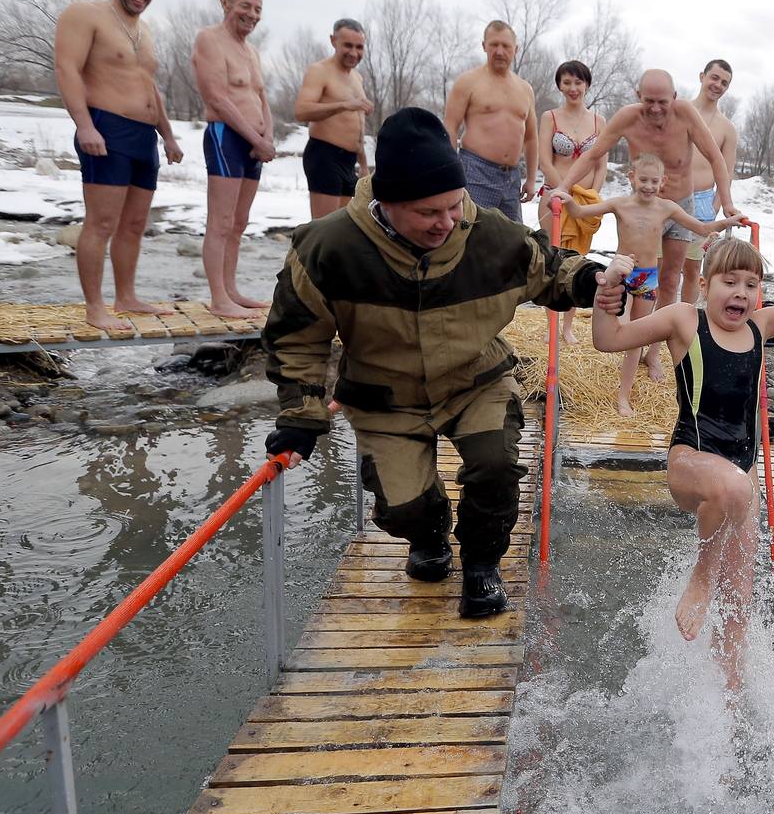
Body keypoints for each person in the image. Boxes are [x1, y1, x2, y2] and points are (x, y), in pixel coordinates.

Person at [261, 108, 613, 617]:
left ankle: (480, 565)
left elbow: (549, 269)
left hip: (476, 382)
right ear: (387, 201)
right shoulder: (327, 247)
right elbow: (296, 339)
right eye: (430, 213)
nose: (447, 222)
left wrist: (591, 282)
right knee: (403, 508)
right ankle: (429, 534)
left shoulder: (486, 233)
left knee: (495, 466)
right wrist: (301, 418)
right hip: (384, 396)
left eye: (454, 206)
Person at [590, 235, 774, 690]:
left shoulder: (760, 326)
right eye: (730, 282)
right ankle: (699, 577)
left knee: (740, 600)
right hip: (690, 461)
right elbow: (607, 339)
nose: (741, 293)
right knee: (732, 489)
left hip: (740, 475)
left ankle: (729, 697)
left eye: (751, 284)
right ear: (705, 284)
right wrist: (605, 298)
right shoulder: (682, 320)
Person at [551, 153, 740, 415]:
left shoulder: (667, 208)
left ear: (662, 182)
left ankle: (623, 395)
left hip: (646, 278)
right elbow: (581, 212)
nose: (648, 186)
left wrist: (725, 222)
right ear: (632, 177)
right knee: (624, 326)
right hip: (621, 273)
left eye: (654, 181)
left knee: (635, 338)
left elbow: (699, 226)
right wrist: (566, 199)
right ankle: (619, 375)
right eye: (643, 180)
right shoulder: (620, 204)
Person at [54, 0, 183, 331]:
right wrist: (84, 125)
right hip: (106, 128)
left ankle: (126, 296)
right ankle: (95, 308)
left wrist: (168, 134)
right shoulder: (84, 13)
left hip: (144, 137)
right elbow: (67, 69)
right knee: (101, 222)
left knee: (134, 224)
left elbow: (150, 87)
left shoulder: (146, 31)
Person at [552, 69, 741, 330]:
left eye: (662, 102)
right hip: (642, 208)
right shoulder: (628, 118)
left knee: (670, 279)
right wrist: (563, 186)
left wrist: (727, 203)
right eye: (648, 101)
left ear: (673, 97)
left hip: (680, 204)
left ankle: (656, 345)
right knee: (637, 277)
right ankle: (631, 335)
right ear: (638, 95)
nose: (655, 109)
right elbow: (594, 154)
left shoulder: (685, 114)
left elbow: (715, 157)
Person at [192, 0, 274, 318]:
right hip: (225, 137)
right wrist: (255, 140)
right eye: (245, 6)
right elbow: (217, 98)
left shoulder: (251, 52)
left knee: (239, 223)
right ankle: (218, 299)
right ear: (225, 3)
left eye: (257, 9)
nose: (252, 15)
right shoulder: (209, 39)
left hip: (255, 144)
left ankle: (231, 289)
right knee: (221, 222)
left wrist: (266, 136)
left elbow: (261, 97)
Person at [537, 59, 608, 344]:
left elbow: (601, 164)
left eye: (578, 82)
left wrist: (592, 197)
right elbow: (544, 158)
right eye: (567, 82)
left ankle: (568, 326)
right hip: (554, 197)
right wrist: (562, 190)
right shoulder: (550, 117)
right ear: (559, 85)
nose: (573, 88)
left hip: (584, 204)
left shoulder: (598, 121)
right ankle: (550, 324)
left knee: (578, 262)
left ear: (587, 84)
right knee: (552, 262)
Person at [443, 21, 537, 222]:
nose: (500, 51)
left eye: (506, 46)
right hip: (475, 171)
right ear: (484, 46)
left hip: (512, 177)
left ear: (516, 49)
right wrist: (451, 170)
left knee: (513, 240)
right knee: (473, 234)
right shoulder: (468, 81)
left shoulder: (525, 89)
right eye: (494, 45)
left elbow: (530, 138)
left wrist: (530, 178)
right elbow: (450, 126)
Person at [296, 18, 372, 219]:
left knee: (341, 230)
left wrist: (363, 164)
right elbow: (302, 111)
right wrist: (344, 105)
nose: (353, 52)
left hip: (349, 161)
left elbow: (358, 125)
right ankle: (305, 252)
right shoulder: (320, 71)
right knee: (323, 229)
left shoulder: (357, 78)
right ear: (333, 41)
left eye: (359, 47)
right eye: (347, 45)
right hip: (324, 155)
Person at [681, 59, 738, 305]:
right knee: (661, 267)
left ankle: (683, 324)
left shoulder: (727, 128)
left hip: (703, 203)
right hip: (671, 195)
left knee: (692, 270)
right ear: (702, 76)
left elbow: (726, 171)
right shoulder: (680, 111)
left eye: (724, 82)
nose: (718, 85)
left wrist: (716, 206)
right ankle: (649, 327)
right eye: (714, 78)